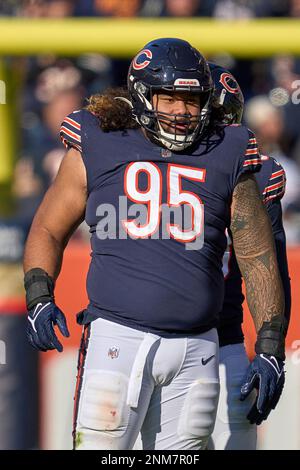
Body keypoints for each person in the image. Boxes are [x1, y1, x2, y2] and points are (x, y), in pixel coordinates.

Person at [23, 38, 286, 450]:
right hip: (117, 337)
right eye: (169, 99)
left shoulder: (230, 150)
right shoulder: (101, 138)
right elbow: (48, 228)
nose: (181, 112)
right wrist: (39, 293)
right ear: (143, 96)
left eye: (192, 100)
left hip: (198, 348)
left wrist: (270, 345)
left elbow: (258, 257)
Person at [207, 63, 291, 450]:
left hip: (223, 338)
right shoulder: (141, 162)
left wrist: (271, 348)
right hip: (143, 333)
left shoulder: (256, 174)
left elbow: (271, 268)